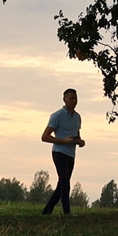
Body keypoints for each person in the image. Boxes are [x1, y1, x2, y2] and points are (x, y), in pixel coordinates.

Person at [37, 87, 84, 215]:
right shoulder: (57, 116)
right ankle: (67, 213)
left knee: (62, 185)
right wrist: (63, 141)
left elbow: (76, 135)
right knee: (65, 183)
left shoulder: (77, 117)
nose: (74, 101)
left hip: (71, 154)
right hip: (59, 152)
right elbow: (44, 137)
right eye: (71, 98)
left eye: (76, 98)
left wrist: (80, 141)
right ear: (64, 100)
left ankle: (47, 211)